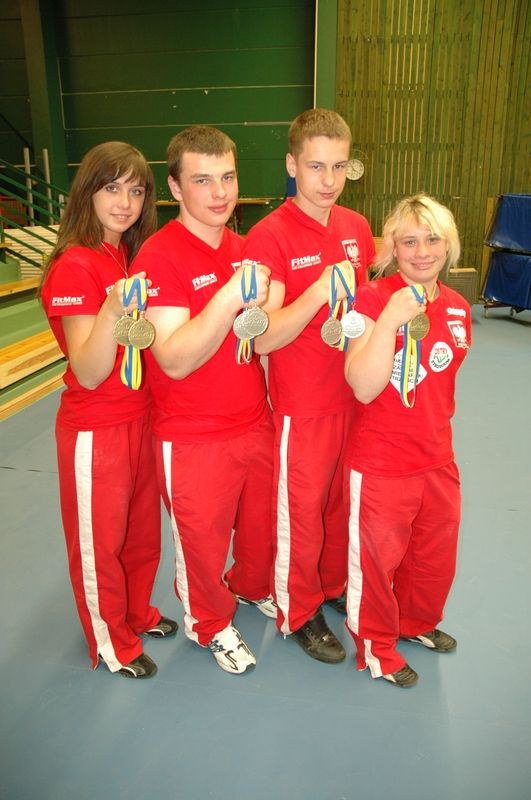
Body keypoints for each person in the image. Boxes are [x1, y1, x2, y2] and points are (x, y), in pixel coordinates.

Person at [132, 125, 275, 675]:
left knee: (261, 531)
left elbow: (259, 340)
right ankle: (209, 622)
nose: (220, 193)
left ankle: (249, 585)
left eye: (228, 177)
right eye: (203, 180)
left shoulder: (245, 249)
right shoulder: (159, 255)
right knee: (203, 543)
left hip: (253, 422)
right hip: (192, 435)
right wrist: (225, 298)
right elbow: (172, 358)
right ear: (174, 187)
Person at [242, 108, 376, 663]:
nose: (328, 180)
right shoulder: (267, 236)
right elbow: (265, 338)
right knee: (300, 509)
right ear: (292, 164)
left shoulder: (356, 228)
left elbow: (362, 312)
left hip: (354, 396)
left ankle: (332, 585)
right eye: (316, 166)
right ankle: (297, 608)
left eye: (339, 166)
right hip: (302, 405)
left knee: (342, 505)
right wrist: (317, 293)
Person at [40, 142, 178, 679]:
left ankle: (136, 614)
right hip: (96, 429)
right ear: (88, 192)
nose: (125, 202)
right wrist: (112, 306)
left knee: (141, 534)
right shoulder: (75, 266)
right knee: (100, 541)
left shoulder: (127, 255)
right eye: (111, 187)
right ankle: (110, 640)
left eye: (136, 190)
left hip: (141, 418)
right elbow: (90, 368)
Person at [343, 193, 472, 687]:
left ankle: (415, 624)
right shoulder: (371, 298)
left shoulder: (458, 308)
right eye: (410, 241)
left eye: (433, 239)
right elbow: (363, 384)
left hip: (437, 458)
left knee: (433, 556)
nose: (422, 251)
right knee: (377, 563)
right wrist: (392, 319)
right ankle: (375, 646)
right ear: (392, 248)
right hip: (381, 462)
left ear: (448, 245)